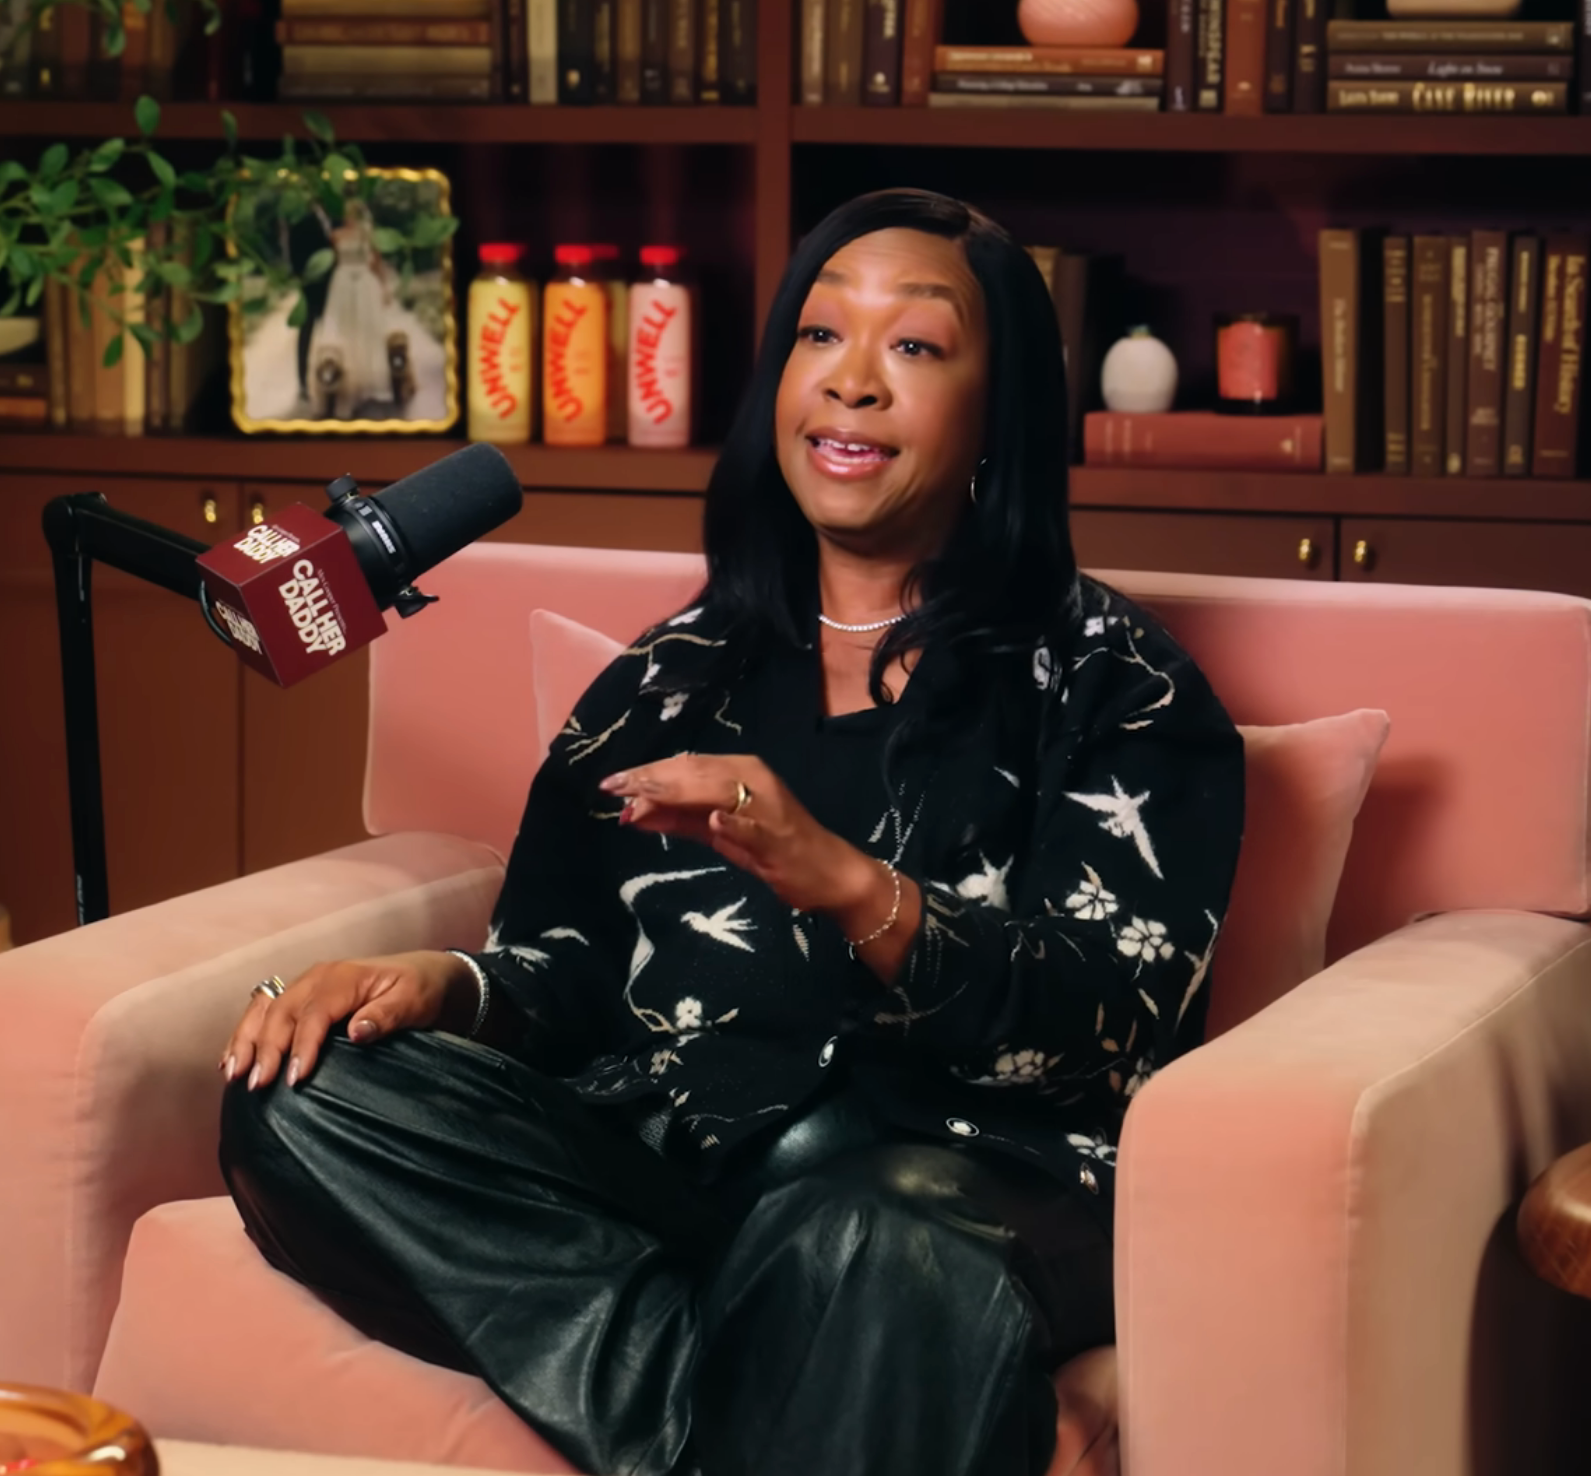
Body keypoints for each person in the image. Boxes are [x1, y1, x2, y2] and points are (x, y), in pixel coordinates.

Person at [217, 188, 1245, 1476]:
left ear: (1003, 410)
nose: (853, 385)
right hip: (687, 1172)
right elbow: (570, 971)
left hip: (962, 1189)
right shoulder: (666, 681)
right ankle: (828, 1390)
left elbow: (1098, 1028)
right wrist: (453, 988)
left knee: (864, 1233)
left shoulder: (1119, 686)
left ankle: (829, 1342)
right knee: (302, 1094)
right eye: (821, 340)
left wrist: (846, 884)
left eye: (916, 348)